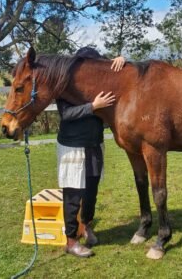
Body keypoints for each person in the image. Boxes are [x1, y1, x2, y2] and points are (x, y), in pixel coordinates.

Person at [56, 47, 125, 257]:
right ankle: (70, 240)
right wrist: (93, 106)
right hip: (72, 147)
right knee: (73, 194)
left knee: (91, 191)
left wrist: (121, 59)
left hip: (94, 144)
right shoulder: (65, 85)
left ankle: (86, 225)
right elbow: (66, 114)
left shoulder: (98, 85)